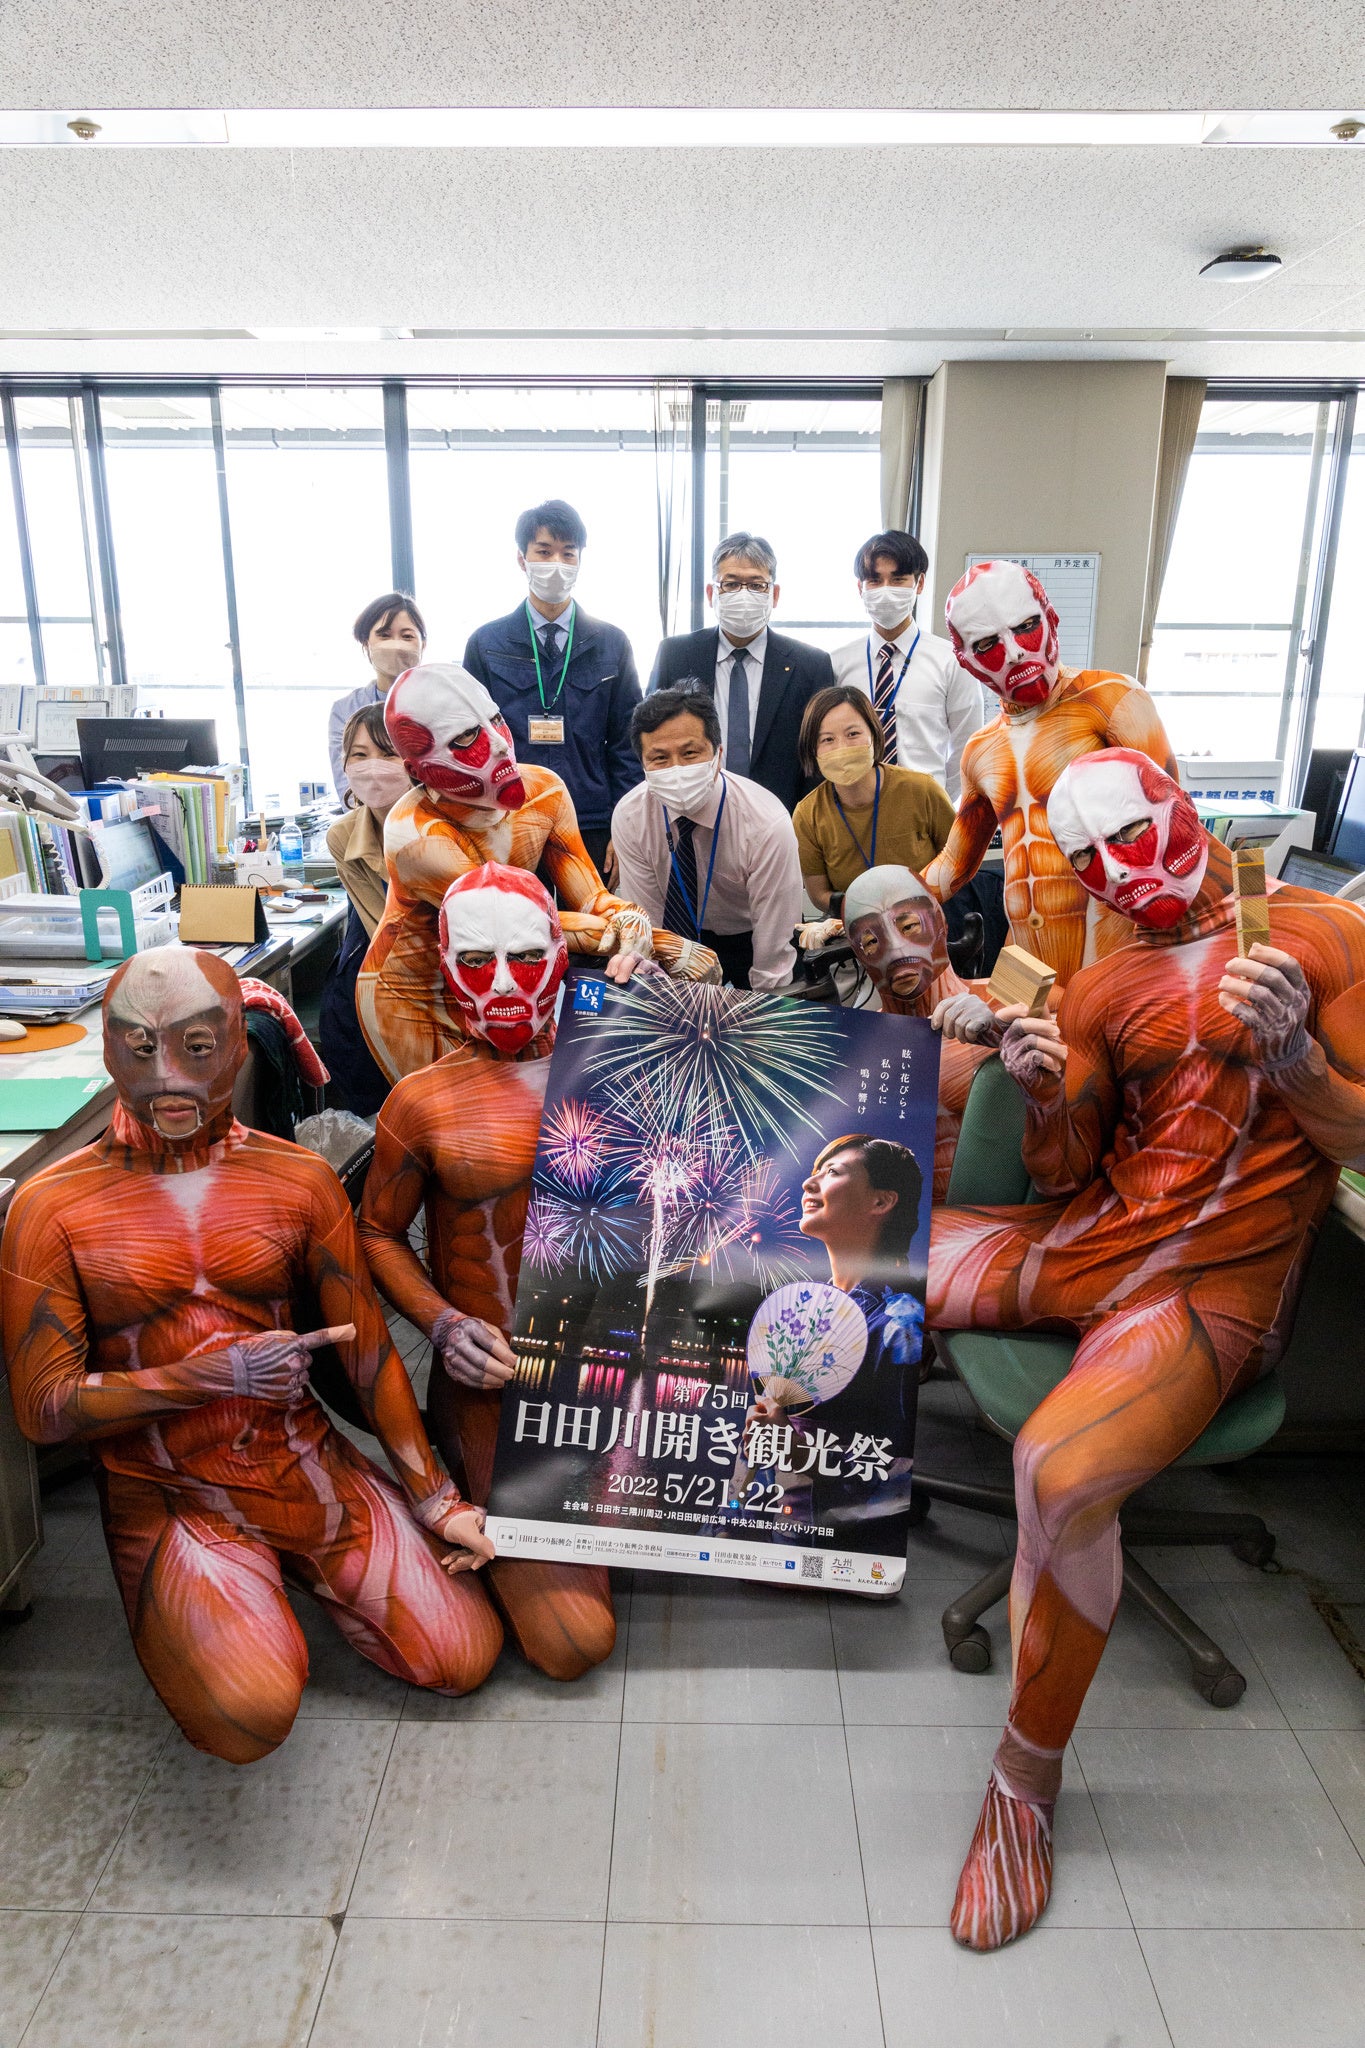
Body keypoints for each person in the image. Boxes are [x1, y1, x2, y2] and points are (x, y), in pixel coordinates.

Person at [929, 748, 1365, 1951]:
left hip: (1211, 1283)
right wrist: (1043, 1090)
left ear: (1184, 806)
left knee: (1058, 1473)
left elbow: (1361, 1137)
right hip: (1093, 1237)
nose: (1121, 868)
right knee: (822, 1250)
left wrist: (1299, 1061)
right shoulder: (1103, 982)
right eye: (1090, 855)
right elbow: (1066, 1170)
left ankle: (1023, 1784)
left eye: (1134, 831)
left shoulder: (1323, 934)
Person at [0, 949, 504, 1765]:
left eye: (196, 1047)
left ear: (241, 1046)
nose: (167, 1076)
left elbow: (368, 1356)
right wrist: (203, 1377)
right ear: (108, 1050)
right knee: (248, 1715)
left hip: (301, 1459)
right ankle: (243, 1595)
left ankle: (294, 1575)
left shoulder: (297, 1180)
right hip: (167, 1486)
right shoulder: (53, 1205)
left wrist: (435, 1497)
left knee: (462, 1657)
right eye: (139, 1047)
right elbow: (41, 1410)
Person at [360, 863, 617, 1682]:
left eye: (525, 956)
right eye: (475, 961)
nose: (502, 983)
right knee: (570, 1643)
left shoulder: (625, 1069)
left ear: (560, 957)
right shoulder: (422, 1102)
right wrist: (443, 1325)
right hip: (497, 1388)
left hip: (622, 1379)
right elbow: (377, 1232)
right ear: (445, 968)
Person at [356, 662, 718, 1081]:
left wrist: (627, 916)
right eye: (466, 738)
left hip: (512, 977)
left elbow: (591, 898)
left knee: (538, 1107)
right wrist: (667, 945)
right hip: (418, 999)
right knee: (456, 1116)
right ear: (416, 771)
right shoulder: (417, 835)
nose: (499, 745)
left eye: (495, 720)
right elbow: (511, 923)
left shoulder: (544, 789)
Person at [923, 559, 1178, 985]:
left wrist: (1255, 922)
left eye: (1026, 627)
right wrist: (869, 905)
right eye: (987, 645)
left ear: (1052, 619)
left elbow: (1180, 828)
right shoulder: (980, 750)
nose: (1016, 652)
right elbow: (954, 863)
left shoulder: (1111, 701)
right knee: (958, 1026)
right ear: (966, 662)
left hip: (1113, 968)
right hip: (1022, 967)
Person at [462, 498, 643, 876]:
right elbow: (472, 742)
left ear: (579, 561)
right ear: (522, 559)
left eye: (568, 553)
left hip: (590, 819)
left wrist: (624, 826)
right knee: (518, 913)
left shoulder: (611, 643)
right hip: (511, 817)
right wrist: (477, 822)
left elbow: (627, 745)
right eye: (544, 552)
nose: (556, 563)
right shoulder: (487, 643)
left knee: (592, 913)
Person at [610, 685, 802, 991]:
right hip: (674, 935)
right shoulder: (631, 816)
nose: (677, 769)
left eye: (690, 753)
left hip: (751, 934)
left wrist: (764, 1007)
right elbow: (648, 927)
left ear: (718, 754)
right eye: (659, 758)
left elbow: (773, 959)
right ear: (643, 765)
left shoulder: (766, 823)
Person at [841, 864, 1004, 1199]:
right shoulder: (854, 1051)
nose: (896, 951)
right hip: (911, 1223)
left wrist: (1008, 1037)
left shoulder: (1007, 1003)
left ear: (940, 922)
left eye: (909, 926)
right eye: (870, 941)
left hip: (1004, 1216)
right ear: (858, 955)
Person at [648, 533, 834, 814]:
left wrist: (802, 823)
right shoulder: (675, 655)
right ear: (711, 594)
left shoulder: (811, 665)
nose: (743, 594)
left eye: (757, 585)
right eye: (731, 584)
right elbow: (651, 739)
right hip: (690, 813)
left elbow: (819, 757)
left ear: (774, 595)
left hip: (782, 818)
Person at [832, 530, 984, 800]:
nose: (886, 590)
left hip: (924, 809)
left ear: (919, 583)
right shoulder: (837, 663)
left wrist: (935, 801)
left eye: (898, 579)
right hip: (852, 809)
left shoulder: (952, 662)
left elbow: (967, 747)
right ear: (860, 588)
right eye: (875, 580)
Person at [318, 703, 412, 1114]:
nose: (373, 767)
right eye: (359, 755)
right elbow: (383, 931)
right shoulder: (343, 836)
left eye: (388, 753)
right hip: (388, 971)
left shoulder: (448, 826)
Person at [792, 686, 955, 916]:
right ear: (813, 749)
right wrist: (864, 909)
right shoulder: (807, 815)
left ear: (874, 734)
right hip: (858, 926)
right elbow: (819, 894)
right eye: (828, 739)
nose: (842, 748)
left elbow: (957, 859)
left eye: (853, 734)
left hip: (929, 917)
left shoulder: (922, 790)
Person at [329, 593, 426, 800]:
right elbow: (346, 786)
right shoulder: (345, 709)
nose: (396, 644)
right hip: (367, 815)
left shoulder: (442, 702)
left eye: (407, 636)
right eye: (384, 635)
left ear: (423, 644)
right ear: (366, 643)